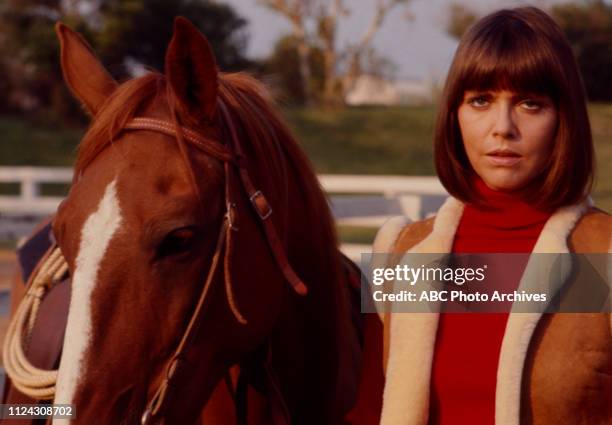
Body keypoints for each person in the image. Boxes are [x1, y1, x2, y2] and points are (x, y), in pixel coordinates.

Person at [347, 6, 611, 425]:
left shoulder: (605, 254)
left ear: (564, 118)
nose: (502, 126)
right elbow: (368, 410)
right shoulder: (403, 252)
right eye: (481, 100)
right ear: (454, 114)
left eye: (530, 103)